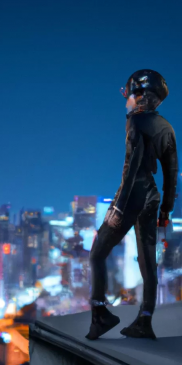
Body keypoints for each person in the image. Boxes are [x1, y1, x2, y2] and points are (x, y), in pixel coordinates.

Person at [86, 69, 178, 340]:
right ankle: (145, 320)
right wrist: (166, 210)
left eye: (128, 94)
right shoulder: (167, 127)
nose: (126, 100)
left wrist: (117, 208)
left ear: (140, 96)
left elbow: (132, 167)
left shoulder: (136, 122)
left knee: (97, 252)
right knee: (148, 263)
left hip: (134, 192)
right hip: (153, 195)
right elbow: (171, 173)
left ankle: (99, 315)